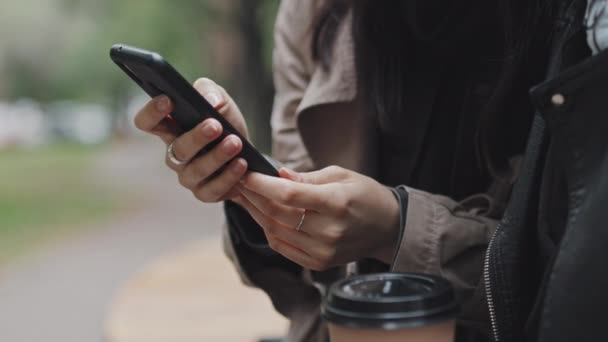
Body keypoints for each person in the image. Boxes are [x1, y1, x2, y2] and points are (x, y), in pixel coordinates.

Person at [133, 0, 573, 341]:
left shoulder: (580, 27)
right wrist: (245, 182)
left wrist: (396, 229)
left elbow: (569, 279)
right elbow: (304, 288)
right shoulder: (315, 15)